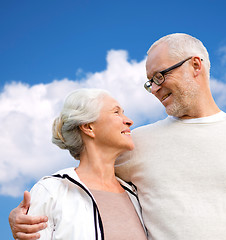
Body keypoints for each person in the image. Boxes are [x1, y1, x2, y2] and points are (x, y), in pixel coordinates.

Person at [9, 33, 226, 239]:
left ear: (195, 66)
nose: (155, 89)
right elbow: (86, 175)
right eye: (150, 83)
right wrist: (25, 217)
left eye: (160, 76)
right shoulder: (136, 144)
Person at [9, 88, 147, 239]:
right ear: (88, 127)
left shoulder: (136, 195)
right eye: (116, 112)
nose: (129, 121)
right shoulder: (52, 191)